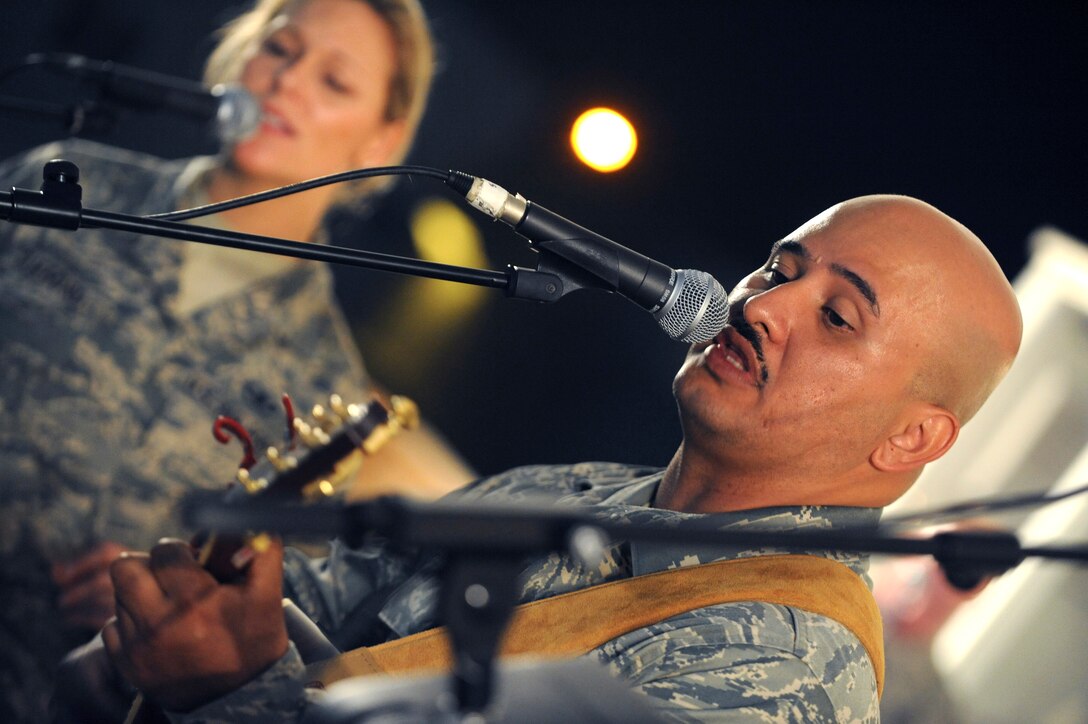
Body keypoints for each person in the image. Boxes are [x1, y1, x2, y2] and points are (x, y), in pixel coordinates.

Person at [98, 194, 1023, 721]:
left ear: (915, 438)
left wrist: (230, 691)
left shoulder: (796, 666)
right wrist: (197, 614)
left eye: (835, 316)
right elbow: (315, 609)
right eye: (781, 269)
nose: (760, 306)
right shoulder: (557, 490)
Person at [0, 1, 475, 721]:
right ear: (237, 62)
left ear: (379, 138)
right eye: (279, 49)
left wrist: (163, 604)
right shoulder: (65, 186)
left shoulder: (328, 388)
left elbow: (249, 621)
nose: (286, 83)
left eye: (334, 81)